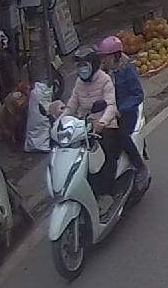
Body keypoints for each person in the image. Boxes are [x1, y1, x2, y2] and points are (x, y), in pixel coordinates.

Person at [63, 51, 120, 212]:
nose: (82, 69)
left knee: (104, 155)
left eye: (85, 65)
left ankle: (106, 193)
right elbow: (72, 105)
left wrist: (102, 122)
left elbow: (111, 105)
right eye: (79, 65)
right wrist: (60, 121)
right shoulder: (79, 83)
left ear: (93, 66)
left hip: (105, 126)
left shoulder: (105, 80)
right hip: (83, 128)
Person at [97, 36, 148, 190]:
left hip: (126, 113)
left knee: (122, 135)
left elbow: (138, 94)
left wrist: (121, 108)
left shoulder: (127, 69)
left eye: (106, 57)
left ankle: (140, 167)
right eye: (102, 57)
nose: (103, 60)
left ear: (116, 56)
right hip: (108, 112)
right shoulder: (102, 73)